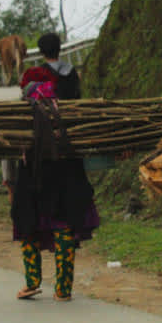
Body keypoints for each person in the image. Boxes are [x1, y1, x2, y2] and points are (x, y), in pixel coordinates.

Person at [10, 33, 100, 301]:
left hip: (36, 162)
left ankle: (32, 281)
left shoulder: (32, 79)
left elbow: (24, 120)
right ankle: (64, 288)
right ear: (60, 49)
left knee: (28, 218)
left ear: (40, 50)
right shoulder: (73, 76)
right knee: (64, 220)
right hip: (67, 158)